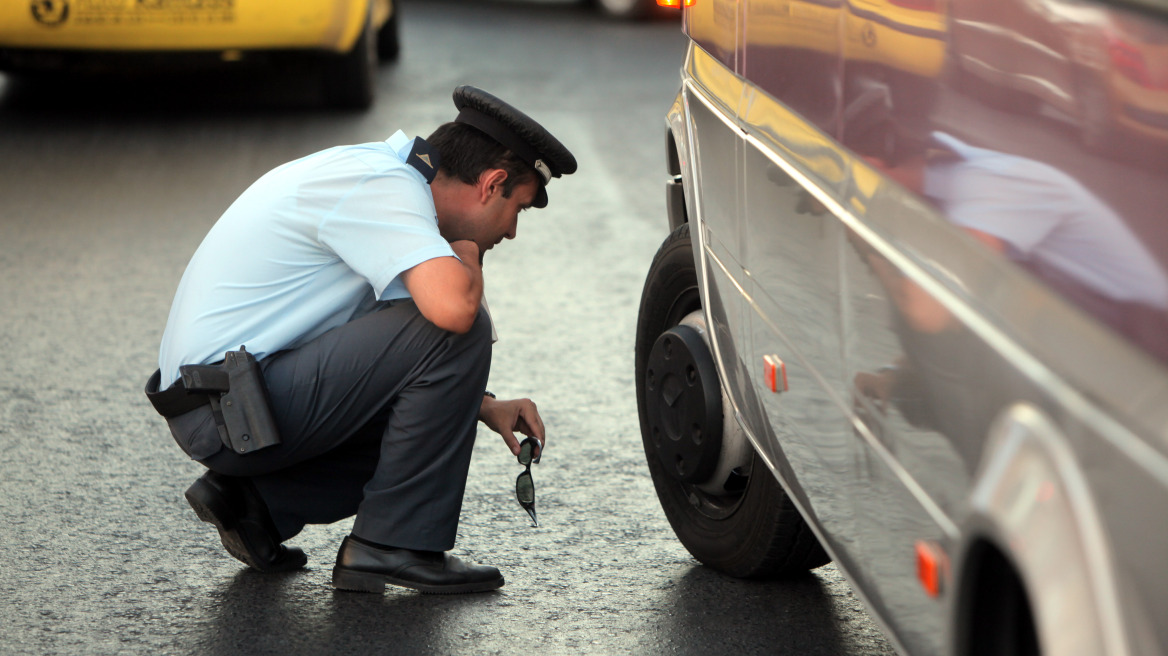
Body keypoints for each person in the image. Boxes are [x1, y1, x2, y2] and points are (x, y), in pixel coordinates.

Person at [144, 86, 577, 595]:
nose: (511, 233)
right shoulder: (384, 187)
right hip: (226, 411)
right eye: (518, 210)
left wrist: (479, 404)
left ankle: (256, 503)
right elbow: (454, 314)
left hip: (229, 400)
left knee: (436, 370)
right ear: (492, 183)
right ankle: (392, 546)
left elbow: (394, 350)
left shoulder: (385, 178)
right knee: (459, 327)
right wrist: (467, 247)